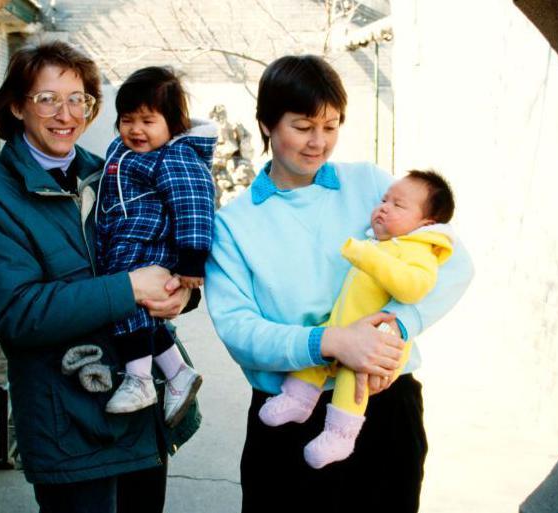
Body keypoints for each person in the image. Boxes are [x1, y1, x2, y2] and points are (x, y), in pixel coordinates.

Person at [204, 55, 474, 512]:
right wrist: (332, 342)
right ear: (268, 123)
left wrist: (395, 328)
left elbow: (454, 260)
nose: (319, 143)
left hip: (384, 406)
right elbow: (238, 329)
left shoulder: (369, 183)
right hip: (290, 412)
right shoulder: (234, 224)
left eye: (331, 127)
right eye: (304, 126)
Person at [0, 41, 200, 513]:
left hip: (142, 416)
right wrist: (129, 289)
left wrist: (180, 296)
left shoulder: (111, 171)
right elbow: (19, 315)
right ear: (15, 105)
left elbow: (163, 252)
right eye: (47, 98)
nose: (65, 114)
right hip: (71, 427)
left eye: (79, 99)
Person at [258, 170, 456, 469]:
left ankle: (339, 434)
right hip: (342, 325)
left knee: (354, 378)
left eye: (398, 205)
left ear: (425, 224)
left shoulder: (420, 251)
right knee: (318, 350)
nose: (384, 207)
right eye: (384, 200)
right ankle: (297, 399)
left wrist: (367, 256)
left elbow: (413, 287)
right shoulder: (384, 242)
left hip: (377, 340)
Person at [95, 66, 215, 426]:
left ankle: (140, 379)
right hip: (126, 242)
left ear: (173, 124)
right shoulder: (123, 149)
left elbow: (194, 203)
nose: (135, 129)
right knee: (143, 313)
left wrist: (193, 262)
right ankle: (177, 371)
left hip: (148, 245)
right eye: (127, 120)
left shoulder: (175, 156)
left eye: (148, 120)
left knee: (128, 306)